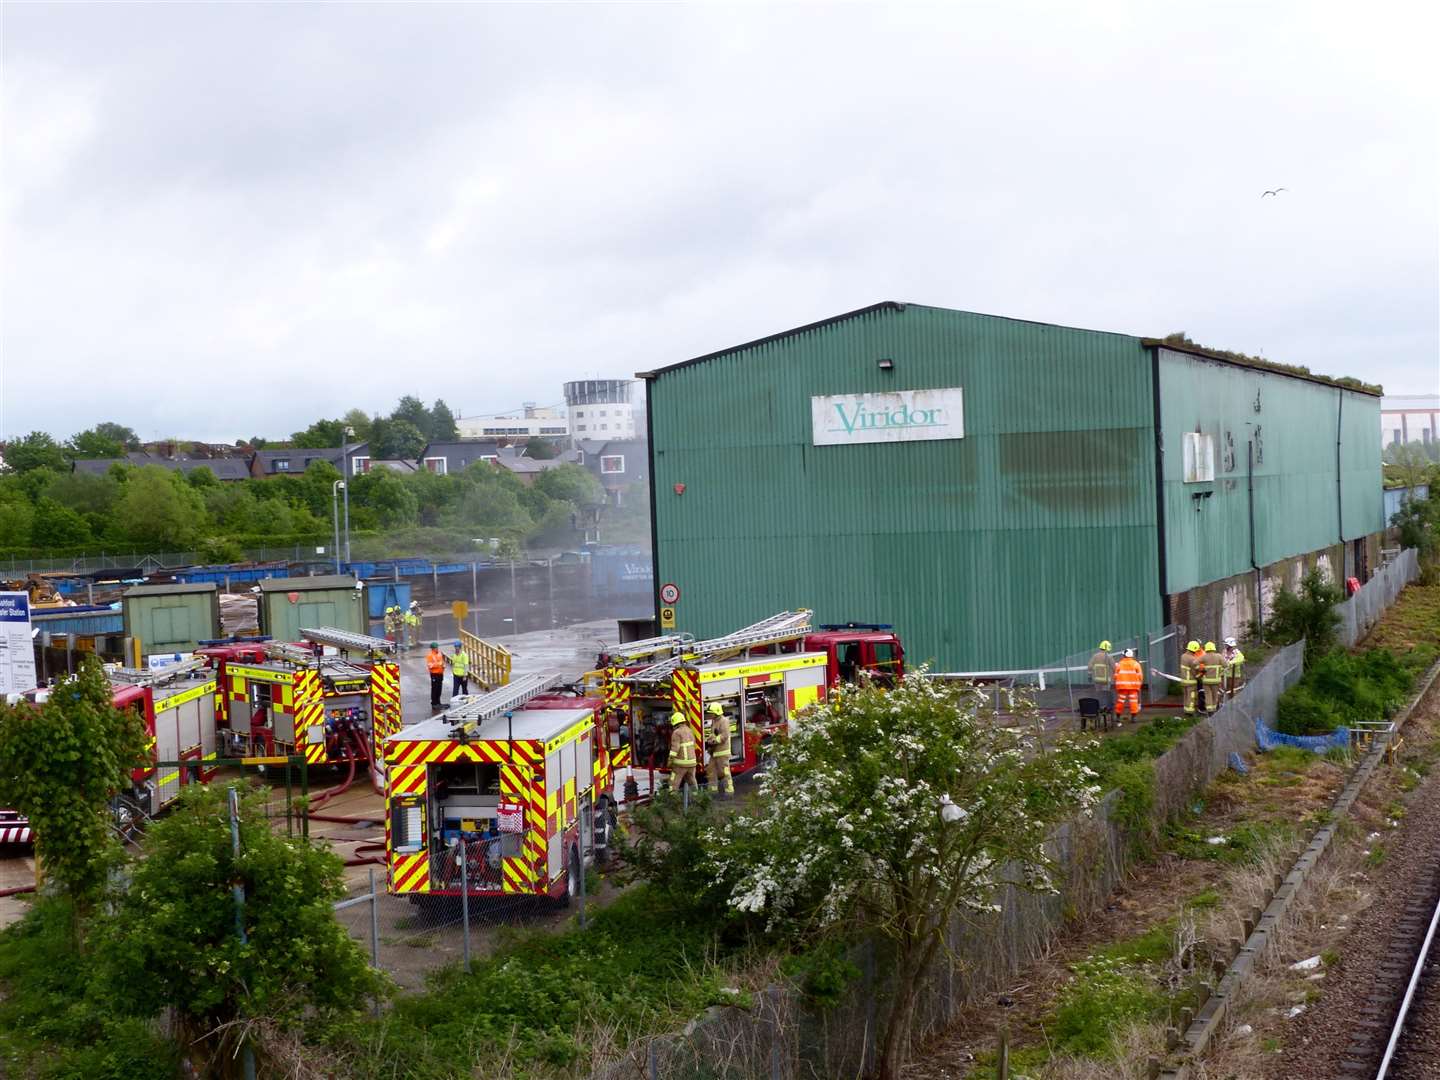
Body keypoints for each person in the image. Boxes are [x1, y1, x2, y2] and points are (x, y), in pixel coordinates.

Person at [704, 701, 734, 798]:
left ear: (716, 712)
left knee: (724, 773)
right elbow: (714, 734)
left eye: (711, 712)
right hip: (715, 752)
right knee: (710, 771)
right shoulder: (714, 721)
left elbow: (724, 736)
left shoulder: (724, 721)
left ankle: (729, 792)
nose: (710, 714)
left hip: (722, 752)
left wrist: (713, 741)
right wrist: (709, 740)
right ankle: (713, 792)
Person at [668, 712, 697, 798]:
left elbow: (675, 749)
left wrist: (670, 760)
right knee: (692, 781)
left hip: (681, 764)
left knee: (674, 781)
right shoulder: (690, 730)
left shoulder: (676, 732)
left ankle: (673, 800)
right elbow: (693, 744)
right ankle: (697, 798)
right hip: (692, 763)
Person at [1113, 648, 1143, 723]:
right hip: (1133, 687)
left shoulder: (1119, 664)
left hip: (1122, 687)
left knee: (1120, 701)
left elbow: (1115, 676)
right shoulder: (1136, 664)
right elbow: (1140, 676)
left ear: (1124, 655)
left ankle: (1118, 717)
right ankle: (1134, 717)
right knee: (1133, 702)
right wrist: (1139, 684)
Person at [1088, 640, 1115, 714]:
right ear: (1108, 648)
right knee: (1106, 694)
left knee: (1098, 694)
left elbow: (1090, 666)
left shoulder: (1095, 656)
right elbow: (1114, 668)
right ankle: (1106, 708)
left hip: (1097, 679)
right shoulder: (1109, 657)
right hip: (1106, 680)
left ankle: (1099, 707)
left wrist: (1089, 675)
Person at [1179, 640, 1203, 715]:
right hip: (1191, 681)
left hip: (1184, 680)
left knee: (1186, 696)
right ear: (1194, 650)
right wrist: (1203, 672)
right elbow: (1198, 669)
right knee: (1191, 697)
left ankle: (1186, 710)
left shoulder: (1183, 656)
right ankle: (1190, 712)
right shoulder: (1192, 659)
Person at [1200, 641, 1225, 714]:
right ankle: (1214, 709)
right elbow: (1226, 665)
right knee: (1215, 694)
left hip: (1206, 681)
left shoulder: (1204, 656)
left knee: (1208, 695)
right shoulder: (1219, 656)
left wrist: (1201, 669)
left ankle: (1209, 710)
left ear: (1206, 649)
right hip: (1216, 680)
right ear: (1214, 648)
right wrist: (1220, 669)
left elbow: (1195, 663)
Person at [426, 642, 446, 710]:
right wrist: (438, 664)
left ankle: (438, 702)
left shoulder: (440, 654)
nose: (437, 649)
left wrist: (443, 666)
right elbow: (430, 666)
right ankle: (434, 703)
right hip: (434, 674)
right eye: (436, 648)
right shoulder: (430, 655)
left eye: (437, 647)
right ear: (433, 649)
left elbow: (442, 662)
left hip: (440, 674)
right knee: (435, 689)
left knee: (439, 689)